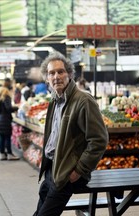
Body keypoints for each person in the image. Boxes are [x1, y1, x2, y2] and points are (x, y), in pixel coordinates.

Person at [33, 52, 108, 216]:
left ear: (69, 74)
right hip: (51, 170)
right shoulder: (55, 100)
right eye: (51, 73)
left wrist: (78, 171)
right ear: (47, 78)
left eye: (61, 72)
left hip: (68, 173)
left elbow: (99, 140)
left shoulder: (83, 100)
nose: (56, 76)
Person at [0, 86, 19, 161]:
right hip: (5, 120)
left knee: (2, 138)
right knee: (7, 138)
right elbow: (8, 108)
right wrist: (16, 108)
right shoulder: (6, 97)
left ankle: (2, 154)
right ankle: (10, 154)